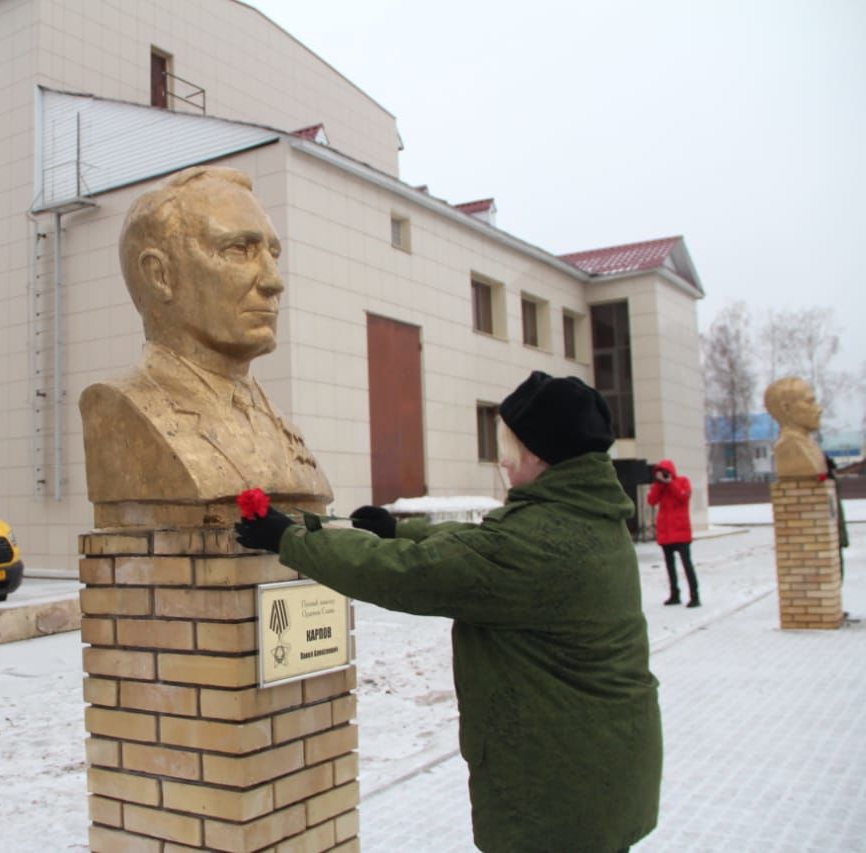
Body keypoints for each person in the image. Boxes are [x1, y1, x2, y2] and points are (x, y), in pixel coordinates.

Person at [237, 371, 662, 853]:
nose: (502, 459)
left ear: (542, 454)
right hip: (600, 764)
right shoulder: (585, 517)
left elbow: (412, 575)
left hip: (561, 787)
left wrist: (287, 539)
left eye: (511, 446)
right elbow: (481, 548)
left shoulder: (540, 542)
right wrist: (399, 531)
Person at [79, 166, 330, 506]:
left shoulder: (280, 426)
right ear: (160, 275)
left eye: (273, 254)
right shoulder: (122, 409)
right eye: (239, 249)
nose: (274, 281)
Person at [648, 459, 699, 607]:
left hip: (681, 533)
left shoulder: (683, 481)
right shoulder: (660, 487)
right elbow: (651, 501)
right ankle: (674, 594)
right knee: (670, 567)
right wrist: (659, 484)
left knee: (687, 565)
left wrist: (670, 482)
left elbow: (683, 497)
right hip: (666, 533)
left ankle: (695, 595)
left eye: (665, 472)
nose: (663, 475)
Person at [763, 376, 826, 479]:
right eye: (809, 402)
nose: (819, 409)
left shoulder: (810, 445)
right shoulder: (788, 446)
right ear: (786, 408)